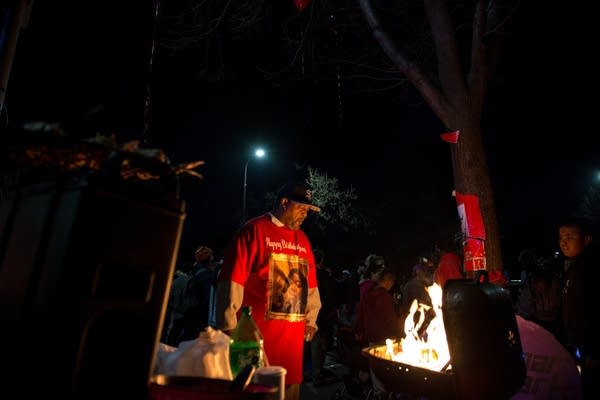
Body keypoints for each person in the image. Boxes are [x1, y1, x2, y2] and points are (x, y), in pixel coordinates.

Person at [215, 180, 322, 400]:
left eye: (308, 210)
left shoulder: (303, 240)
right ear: (284, 202)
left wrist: (311, 319)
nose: (305, 214)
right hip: (254, 343)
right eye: (301, 207)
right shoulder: (254, 231)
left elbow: (310, 286)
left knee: (289, 391)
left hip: (291, 345)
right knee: (255, 391)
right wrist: (227, 330)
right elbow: (230, 283)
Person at [557, 217, 600, 399]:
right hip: (580, 345)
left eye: (570, 236)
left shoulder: (592, 267)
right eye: (561, 237)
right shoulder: (574, 266)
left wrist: (595, 351)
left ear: (587, 239)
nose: (564, 242)